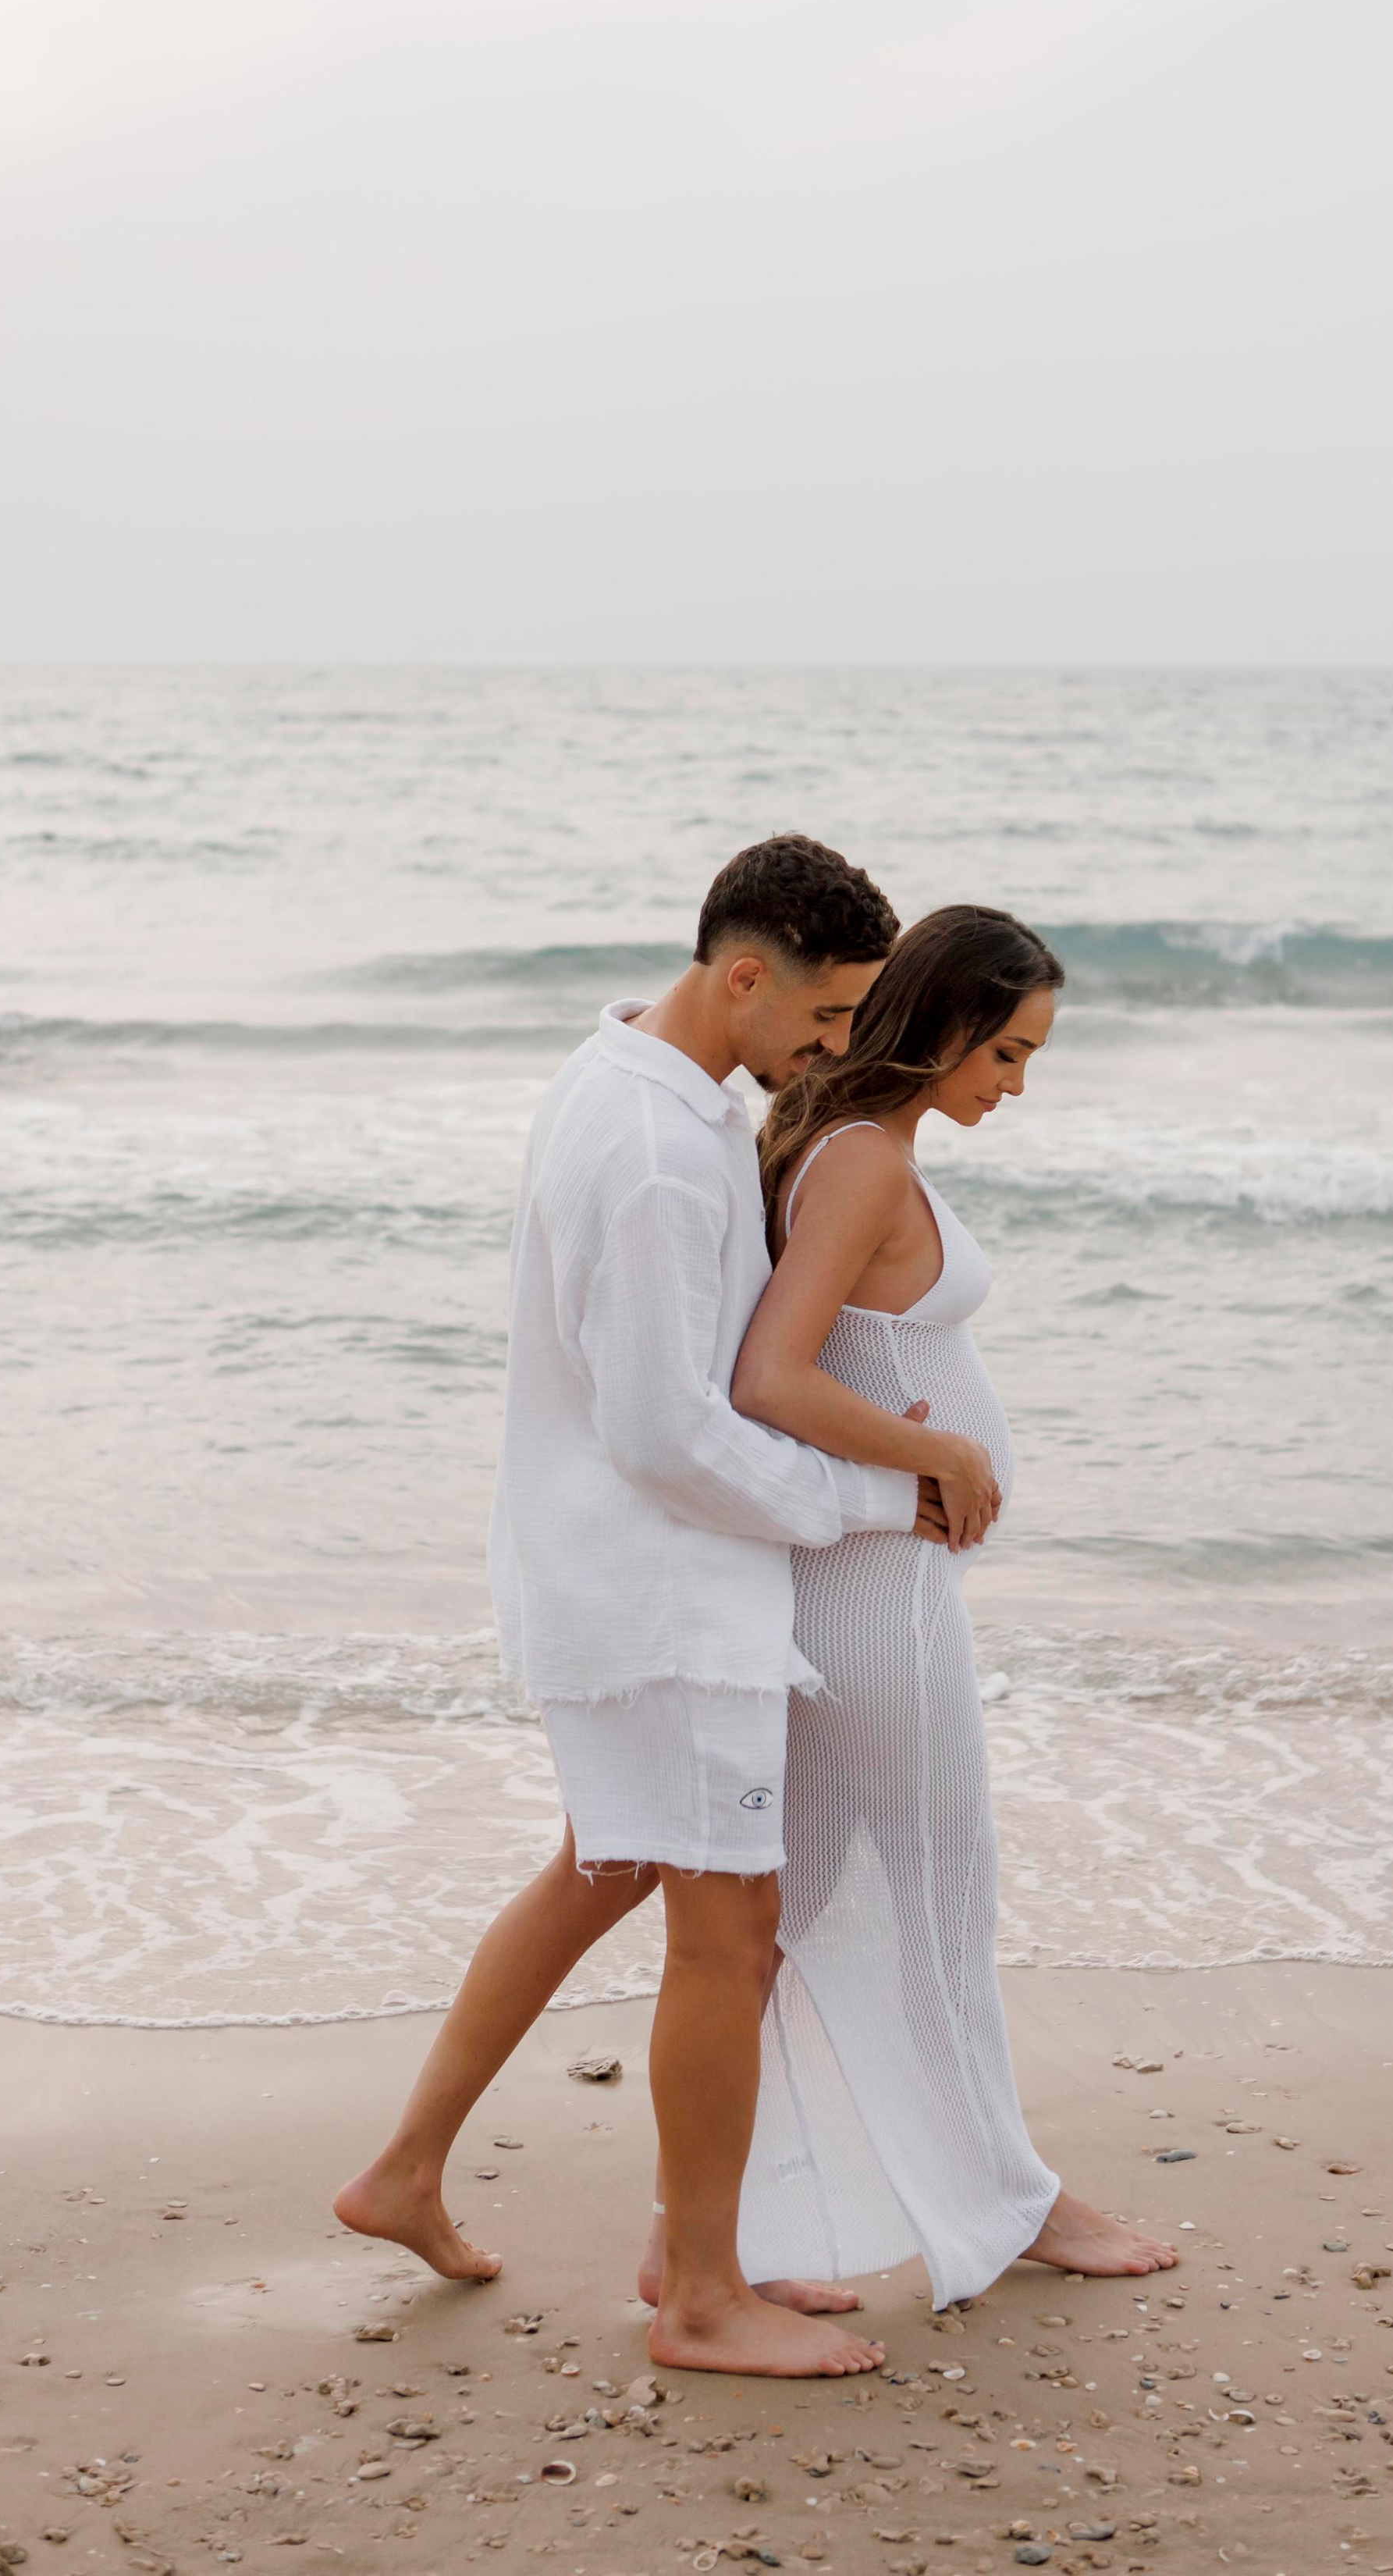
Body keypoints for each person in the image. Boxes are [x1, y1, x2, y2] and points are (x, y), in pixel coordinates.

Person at [333, 835, 1002, 2378]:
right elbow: (665, 1427)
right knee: (730, 1927)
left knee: (604, 1869)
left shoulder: (644, 1089)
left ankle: (405, 2171)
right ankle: (700, 2291)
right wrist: (872, 1496)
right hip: (658, 1590)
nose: (839, 1050)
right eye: (828, 1018)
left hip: (618, 1575)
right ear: (742, 973)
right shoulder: (646, 1147)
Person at [727, 903, 1176, 2307]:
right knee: (926, 1899)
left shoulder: (838, 1135)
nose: (1018, 1086)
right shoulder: (860, 1157)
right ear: (945, 1024)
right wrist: (943, 1452)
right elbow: (770, 1380)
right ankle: (1011, 2203)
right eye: (1011, 1051)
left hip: (858, 1584)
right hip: (868, 1598)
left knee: (815, 1913)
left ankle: (728, 2237)